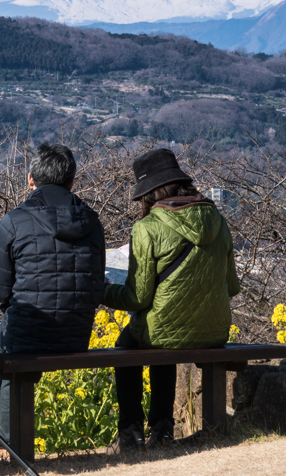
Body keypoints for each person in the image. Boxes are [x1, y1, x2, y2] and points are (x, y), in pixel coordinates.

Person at [0, 143, 106, 454]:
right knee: (6, 345)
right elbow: (97, 286)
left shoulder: (15, 221)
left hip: (28, 332)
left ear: (30, 179)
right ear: (72, 182)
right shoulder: (92, 222)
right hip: (77, 336)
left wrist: (19, 310)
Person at [103, 148, 240, 451]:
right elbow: (232, 286)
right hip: (215, 332)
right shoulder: (218, 220)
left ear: (150, 193)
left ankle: (130, 432)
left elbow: (137, 298)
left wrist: (103, 289)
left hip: (162, 331)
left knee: (131, 344)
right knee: (162, 335)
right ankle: (163, 430)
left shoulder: (147, 227)